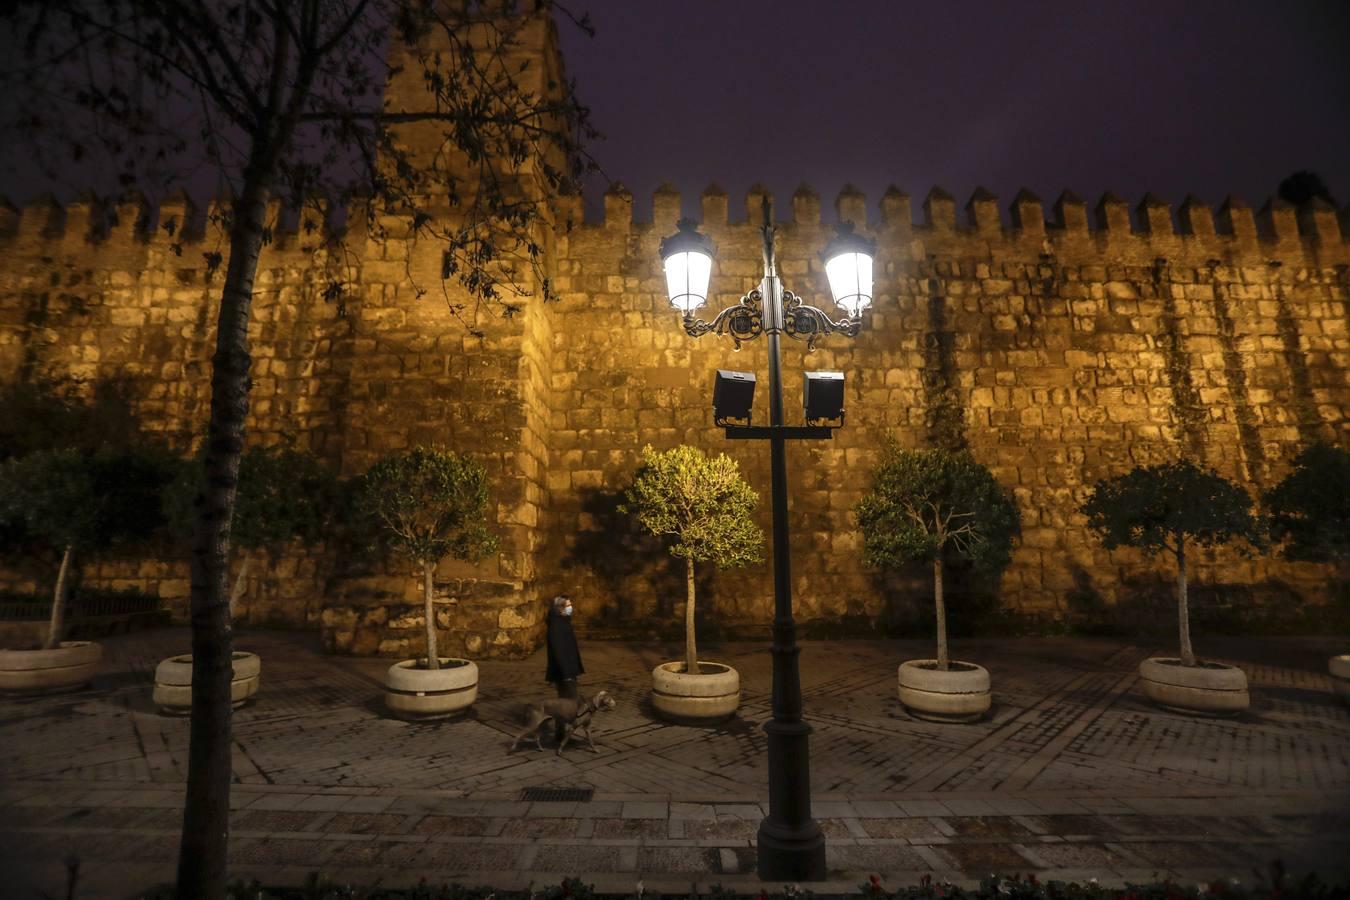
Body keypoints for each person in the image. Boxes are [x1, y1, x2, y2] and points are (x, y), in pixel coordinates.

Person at [545, 594, 584, 742]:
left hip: (567, 670)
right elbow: (558, 651)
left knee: (564, 703)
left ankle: (560, 734)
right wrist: (566, 673)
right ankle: (564, 735)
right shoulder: (556, 625)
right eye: (568, 605)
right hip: (564, 672)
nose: (570, 607)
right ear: (560, 607)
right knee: (570, 704)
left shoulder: (562, 621)